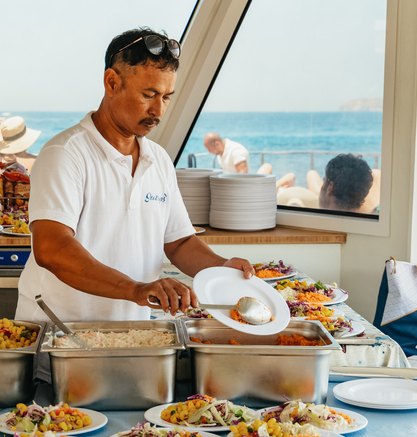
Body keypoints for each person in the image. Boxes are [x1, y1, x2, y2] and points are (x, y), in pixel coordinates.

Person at [15, 27, 253, 330]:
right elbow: (52, 249)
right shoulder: (65, 154)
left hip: (130, 335)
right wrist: (136, 290)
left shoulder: (159, 160)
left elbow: (178, 242)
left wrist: (220, 266)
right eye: (148, 95)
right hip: (61, 337)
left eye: (167, 97)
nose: (158, 110)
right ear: (112, 82)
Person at [311, 154, 376, 213]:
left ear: (330, 188)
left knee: (311, 174)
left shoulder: (313, 222)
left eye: (324, 181)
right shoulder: (367, 222)